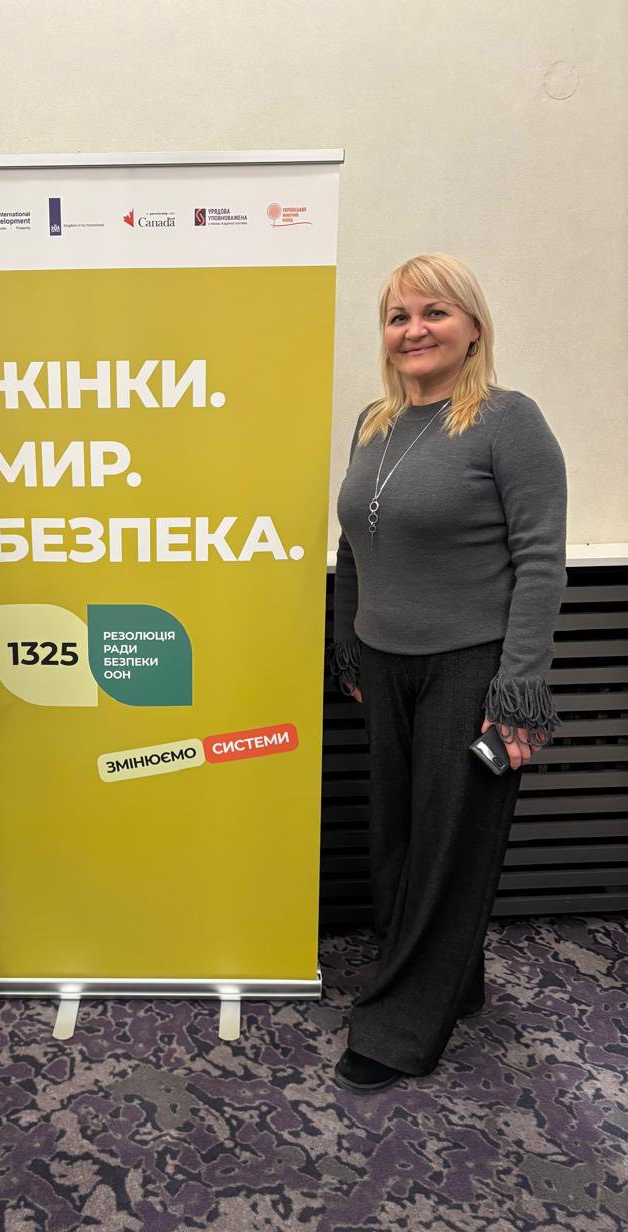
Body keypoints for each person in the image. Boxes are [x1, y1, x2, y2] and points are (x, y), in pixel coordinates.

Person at [329, 253, 567, 1092]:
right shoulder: (374, 423)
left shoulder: (508, 421)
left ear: (472, 327)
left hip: (471, 668)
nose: (414, 330)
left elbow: (540, 562)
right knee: (397, 840)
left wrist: (518, 689)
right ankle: (447, 980)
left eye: (434, 313)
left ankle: (399, 1027)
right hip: (384, 666)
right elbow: (355, 540)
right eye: (399, 316)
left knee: (448, 852)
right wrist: (348, 642)